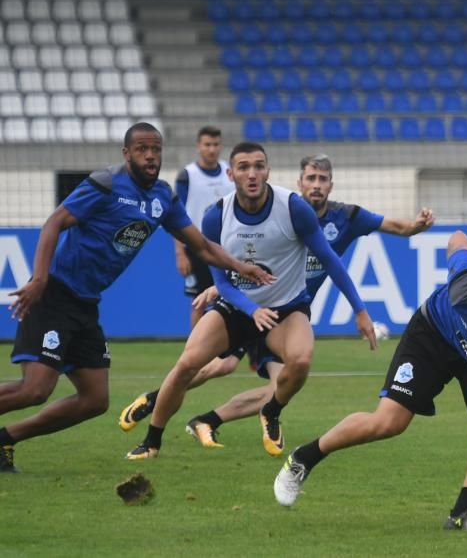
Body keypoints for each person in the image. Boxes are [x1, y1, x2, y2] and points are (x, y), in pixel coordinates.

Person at [0, 123, 271, 473]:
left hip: (85, 304)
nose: (150, 156)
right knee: (35, 389)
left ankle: (6, 437)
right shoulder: (106, 184)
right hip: (54, 294)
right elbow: (54, 222)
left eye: (155, 149)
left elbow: (201, 245)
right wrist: (39, 278)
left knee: (95, 400)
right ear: (127, 154)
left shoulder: (162, 197)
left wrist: (239, 266)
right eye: (142, 149)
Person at [272, 230, 467, 533]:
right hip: (434, 334)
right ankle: (303, 458)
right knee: (389, 422)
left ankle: (463, 512)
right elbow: (458, 237)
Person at [119, 153, 435, 447]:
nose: (316, 185)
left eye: (322, 179)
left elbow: (393, 226)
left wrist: (415, 226)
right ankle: (156, 400)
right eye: (310, 178)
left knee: (281, 382)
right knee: (218, 365)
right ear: (299, 183)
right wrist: (221, 287)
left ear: (331, 185)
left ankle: (208, 419)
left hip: (284, 314)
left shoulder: (345, 218)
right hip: (249, 306)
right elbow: (248, 257)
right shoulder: (283, 211)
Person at [174, 126, 235, 329]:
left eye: (215, 144)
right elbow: (176, 216)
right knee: (199, 302)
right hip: (197, 249)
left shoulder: (230, 172)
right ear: (199, 146)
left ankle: (234, 353)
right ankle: (196, 354)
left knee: (232, 299)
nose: (212, 149)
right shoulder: (187, 176)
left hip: (227, 248)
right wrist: (180, 253)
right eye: (207, 144)